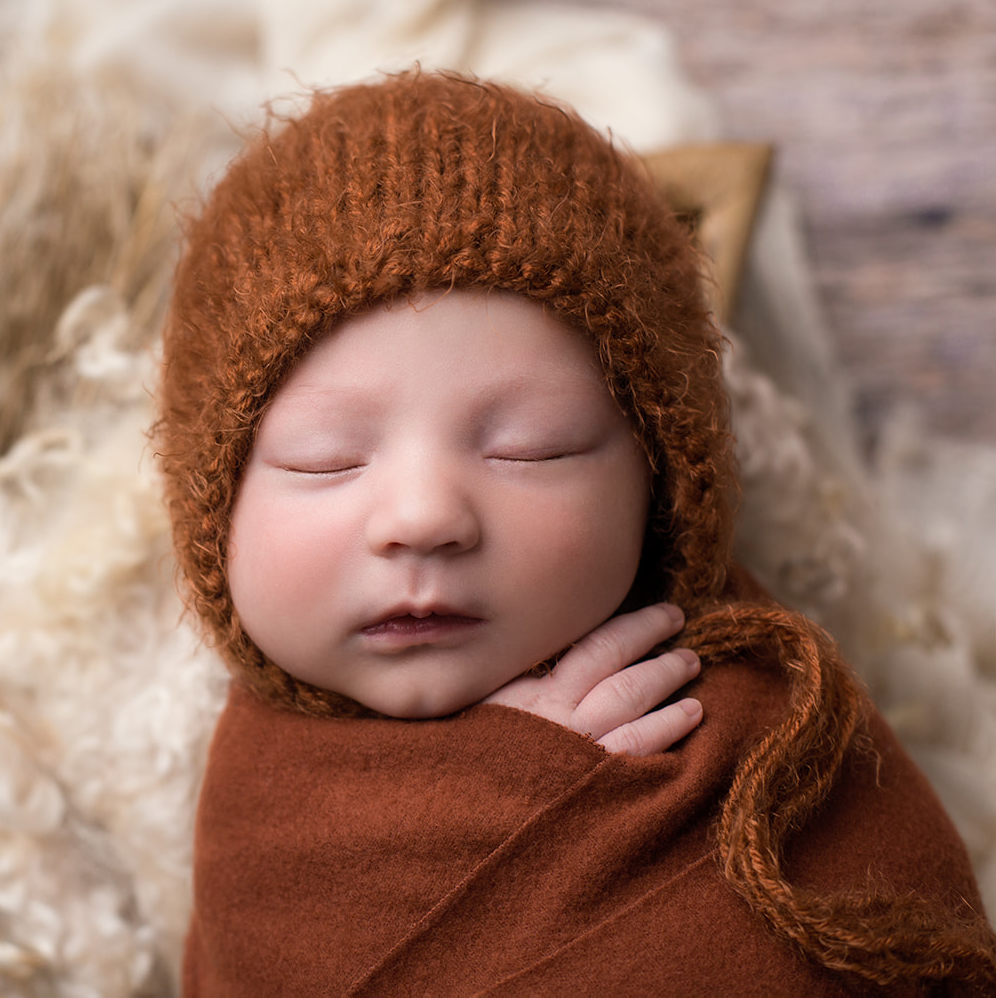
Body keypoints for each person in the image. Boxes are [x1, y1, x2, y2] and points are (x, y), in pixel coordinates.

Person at [157, 70, 996, 993]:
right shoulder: (254, 814)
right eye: (325, 459)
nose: (424, 518)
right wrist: (489, 784)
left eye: (530, 447)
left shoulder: (765, 744)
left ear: (663, 479)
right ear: (215, 513)